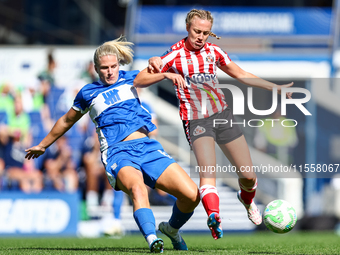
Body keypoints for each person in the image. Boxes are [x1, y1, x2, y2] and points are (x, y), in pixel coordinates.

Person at [25, 36, 200, 253]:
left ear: (119, 65)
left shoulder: (131, 79)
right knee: (137, 188)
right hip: (118, 153)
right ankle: (152, 238)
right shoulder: (87, 93)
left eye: (114, 66)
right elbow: (66, 120)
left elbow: (155, 70)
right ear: (96, 69)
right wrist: (43, 144)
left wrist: (163, 69)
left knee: (192, 195)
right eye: (105, 68)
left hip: (147, 148)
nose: (110, 71)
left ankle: (171, 229)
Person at [134, 9, 294, 240]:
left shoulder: (214, 51)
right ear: (188, 28)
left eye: (205, 33)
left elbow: (241, 74)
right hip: (196, 120)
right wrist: (165, 75)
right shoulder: (173, 55)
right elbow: (140, 80)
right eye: (196, 31)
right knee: (208, 173)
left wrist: (274, 87)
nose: (200, 36)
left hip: (222, 116)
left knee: (248, 176)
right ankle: (214, 216)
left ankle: (246, 200)